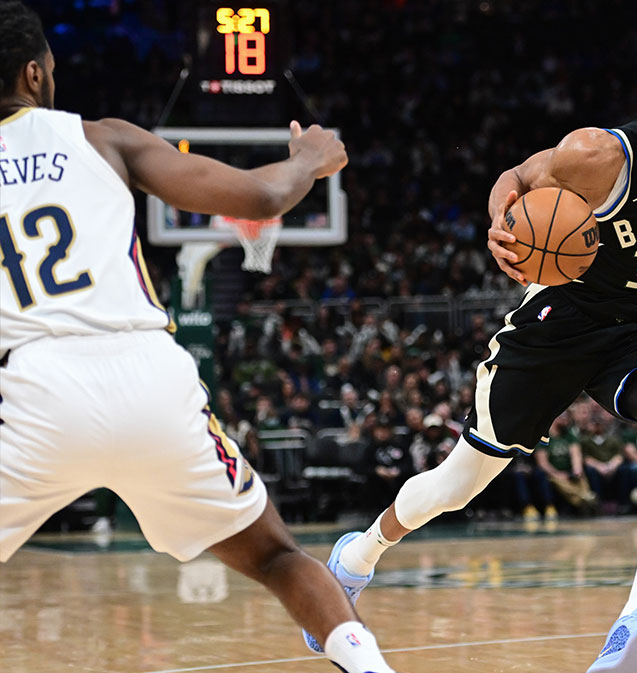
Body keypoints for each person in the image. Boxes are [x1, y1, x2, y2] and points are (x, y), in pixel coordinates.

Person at [309, 53, 637, 673]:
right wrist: (500, 221)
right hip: (559, 325)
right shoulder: (598, 156)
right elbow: (517, 176)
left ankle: (635, 620)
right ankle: (358, 557)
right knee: (455, 487)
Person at [0, 4, 396, 673]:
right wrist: (307, 159)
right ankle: (370, 667)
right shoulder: (104, 139)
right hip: (148, 371)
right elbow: (261, 198)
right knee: (275, 556)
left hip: (38, 387)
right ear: (34, 74)